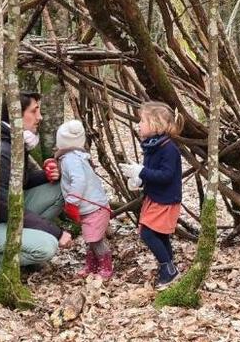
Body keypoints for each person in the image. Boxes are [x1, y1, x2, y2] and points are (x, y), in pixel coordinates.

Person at [0, 91, 71, 273]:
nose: (39, 117)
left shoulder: (11, 140)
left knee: (59, 189)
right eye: (34, 111)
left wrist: (47, 176)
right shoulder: (1, 149)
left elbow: (17, 183)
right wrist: (55, 231)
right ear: (16, 115)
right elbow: (4, 205)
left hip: (0, 217)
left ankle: (27, 242)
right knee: (47, 246)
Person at [121, 101, 184, 289]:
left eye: (142, 121)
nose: (139, 124)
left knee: (147, 233)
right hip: (155, 196)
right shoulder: (152, 145)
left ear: (156, 124)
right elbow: (151, 172)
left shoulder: (168, 148)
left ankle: (168, 268)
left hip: (166, 200)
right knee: (158, 234)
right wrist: (138, 180)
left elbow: (165, 176)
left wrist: (141, 172)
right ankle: (169, 266)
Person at [51, 119, 114, 279]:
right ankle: (92, 265)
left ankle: (105, 265)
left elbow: (78, 180)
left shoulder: (71, 159)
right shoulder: (73, 158)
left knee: (95, 240)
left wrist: (72, 201)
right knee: (90, 239)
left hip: (94, 207)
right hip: (91, 207)